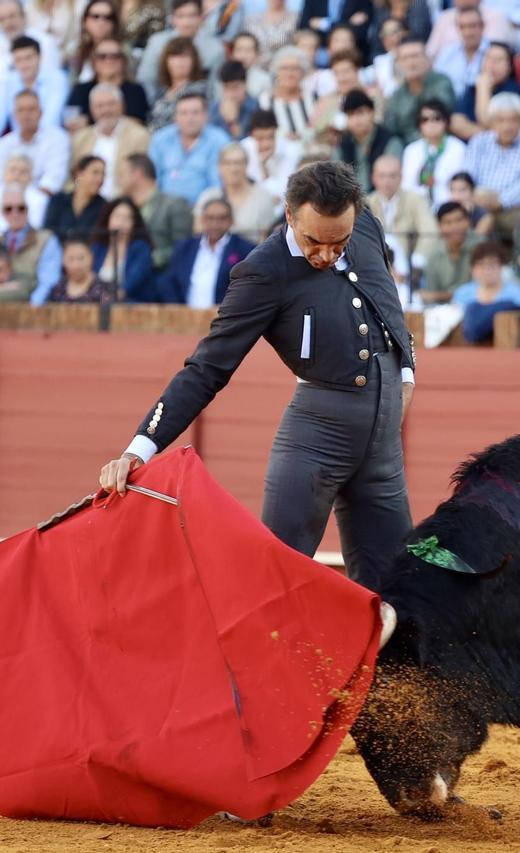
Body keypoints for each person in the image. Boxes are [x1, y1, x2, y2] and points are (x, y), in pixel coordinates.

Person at [100, 160, 415, 589]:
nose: (326, 254)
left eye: (338, 242)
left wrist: (406, 369)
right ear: (289, 214)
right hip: (317, 439)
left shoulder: (364, 227)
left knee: (397, 585)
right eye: (313, 241)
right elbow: (208, 367)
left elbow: (385, 297)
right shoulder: (263, 272)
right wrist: (141, 447)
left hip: (382, 447)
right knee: (273, 578)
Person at [462, 92, 520, 225]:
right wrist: (474, 197)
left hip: (514, 206)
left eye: (513, 120)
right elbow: (467, 176)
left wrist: (501, 202)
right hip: (479, 201)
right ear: (492, 122)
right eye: (500, 120)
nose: (507, 126)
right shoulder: (478, 142)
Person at [162, 195, 255, 307]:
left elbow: (247, 289)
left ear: (231, 221)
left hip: (227, 319)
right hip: (185, 318)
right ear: (203, 220)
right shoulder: (185, 248)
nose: (215, 224)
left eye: (221, 218)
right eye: (210, 218)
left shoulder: (245, 249)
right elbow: (171, 283)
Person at [70, 82, 150, 199]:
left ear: (122, 106)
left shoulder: (139, 136)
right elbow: (74, 177)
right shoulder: (80, 138)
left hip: (122, 202)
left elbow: (139, 178)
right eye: (100, 106)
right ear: (92, 110)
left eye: (111, 104)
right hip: (86, 203)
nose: (106, 110)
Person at [147, 91, 226, 205]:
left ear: (205, 115)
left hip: (203, 210)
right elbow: (152, 178)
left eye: (195, 113)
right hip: (164, 209)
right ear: (175, 116)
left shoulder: (219, 140)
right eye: (184, 113)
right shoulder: (160, 139)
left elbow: (217, 184)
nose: (190, 118)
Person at [0, 88, 69, 197]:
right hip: (6, 202)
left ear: (41, 112)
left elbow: (54, 180)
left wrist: (29, 200)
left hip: (43, 202)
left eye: (31, 109)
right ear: (14, 114)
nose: (26, 115)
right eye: (21, 110)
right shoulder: (2, 144)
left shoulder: (58, 139)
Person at [0, 35, 69, 138]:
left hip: (50, 140)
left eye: (28, 58)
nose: (24, 65)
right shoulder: (7, 81)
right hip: (18, 142)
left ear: (40, 57)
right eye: (18, 60)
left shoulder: (57, 79)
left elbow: (52, 119)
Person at [383, 39, 453, 145]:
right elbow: (390, 131)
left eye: (415, 56)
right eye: (405, 58)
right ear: (398, 64)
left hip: (441, 139)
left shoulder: (441, 82)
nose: (411, 62)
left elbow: (443, 113)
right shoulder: (396, 97)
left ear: (427, 59)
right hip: (407, 149)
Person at [65, 36, 147, 126]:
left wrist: (89, 121)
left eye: (115, 56)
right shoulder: (80, 90)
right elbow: (72, 124)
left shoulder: (135, 90)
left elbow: (137, 124)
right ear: (93, 62)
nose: (108, 60)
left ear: (123, 61)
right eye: (102, 56)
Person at [369, 152, 436, 261]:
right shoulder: (367, 203)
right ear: (373, 178)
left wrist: (418, 259)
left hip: (409, 263)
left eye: (392, 176)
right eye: (382, 176)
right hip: (375, 262)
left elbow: (430, 231)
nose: (387, 181)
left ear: (401, 177)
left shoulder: (416, 200)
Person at [334, 88, 401, 191]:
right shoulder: (343, 145)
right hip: (351, 202)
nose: (356, 120)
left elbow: (392, 179)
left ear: (372, 112)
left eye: (360, 113)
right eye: (351, 114)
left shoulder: (390, 141)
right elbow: (337, 179)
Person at [401, 97, 464, 205]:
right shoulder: (411, 151)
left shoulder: (458, 148)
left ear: (446, 121)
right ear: (420, 125)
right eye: (425, 119)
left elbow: (461, 186)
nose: (431, 123)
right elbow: (406, 186)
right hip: (418, 207)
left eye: (437, 118)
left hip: (448, 206)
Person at [418, 200, 483, 304]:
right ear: (439, 226)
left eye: (459, 220)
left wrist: (439, 295)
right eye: (448, 222)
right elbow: (429, 295)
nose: (455, 226)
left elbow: (479, 290)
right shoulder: (433, 254)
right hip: (442, 313)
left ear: (469, 222)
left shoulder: (481, 247)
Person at [433, 4, 487, 96]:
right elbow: (436, 82)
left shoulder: (494, 50)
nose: (468, 32)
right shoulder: (447, 52)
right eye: (463, 27)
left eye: (472, 26)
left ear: (482, 26)